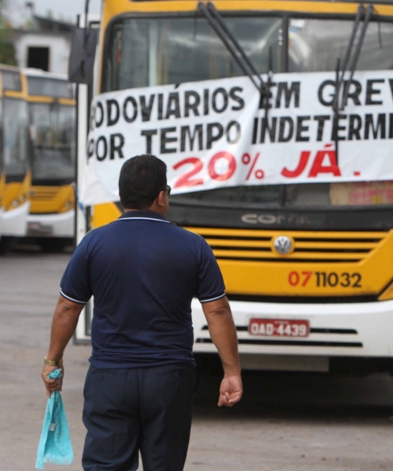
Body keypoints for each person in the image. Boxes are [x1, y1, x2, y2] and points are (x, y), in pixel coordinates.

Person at [41, 154, 242, 471]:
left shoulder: (94, 243)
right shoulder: (193, 246)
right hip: (169, 378)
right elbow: (217, 310)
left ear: (122, 196)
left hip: (111, 377)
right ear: (162, 196)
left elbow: (68, 305)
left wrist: (53, 361)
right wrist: (231, 372)